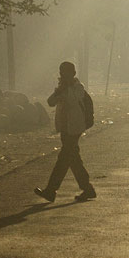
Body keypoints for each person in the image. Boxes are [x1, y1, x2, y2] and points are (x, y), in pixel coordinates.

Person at [35, 62, 95, 203]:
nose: (64, 75)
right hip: (65, 128)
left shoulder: (78, 87)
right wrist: (60, 90)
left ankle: (51, 190)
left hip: (75, 127)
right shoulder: (63, 88)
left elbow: (73, 100)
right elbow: (50, 102)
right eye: (62, 73)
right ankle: (87, 188)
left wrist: (65, 88)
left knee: (64, 159)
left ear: (73, 73)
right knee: (72, 159)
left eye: (66, 73)